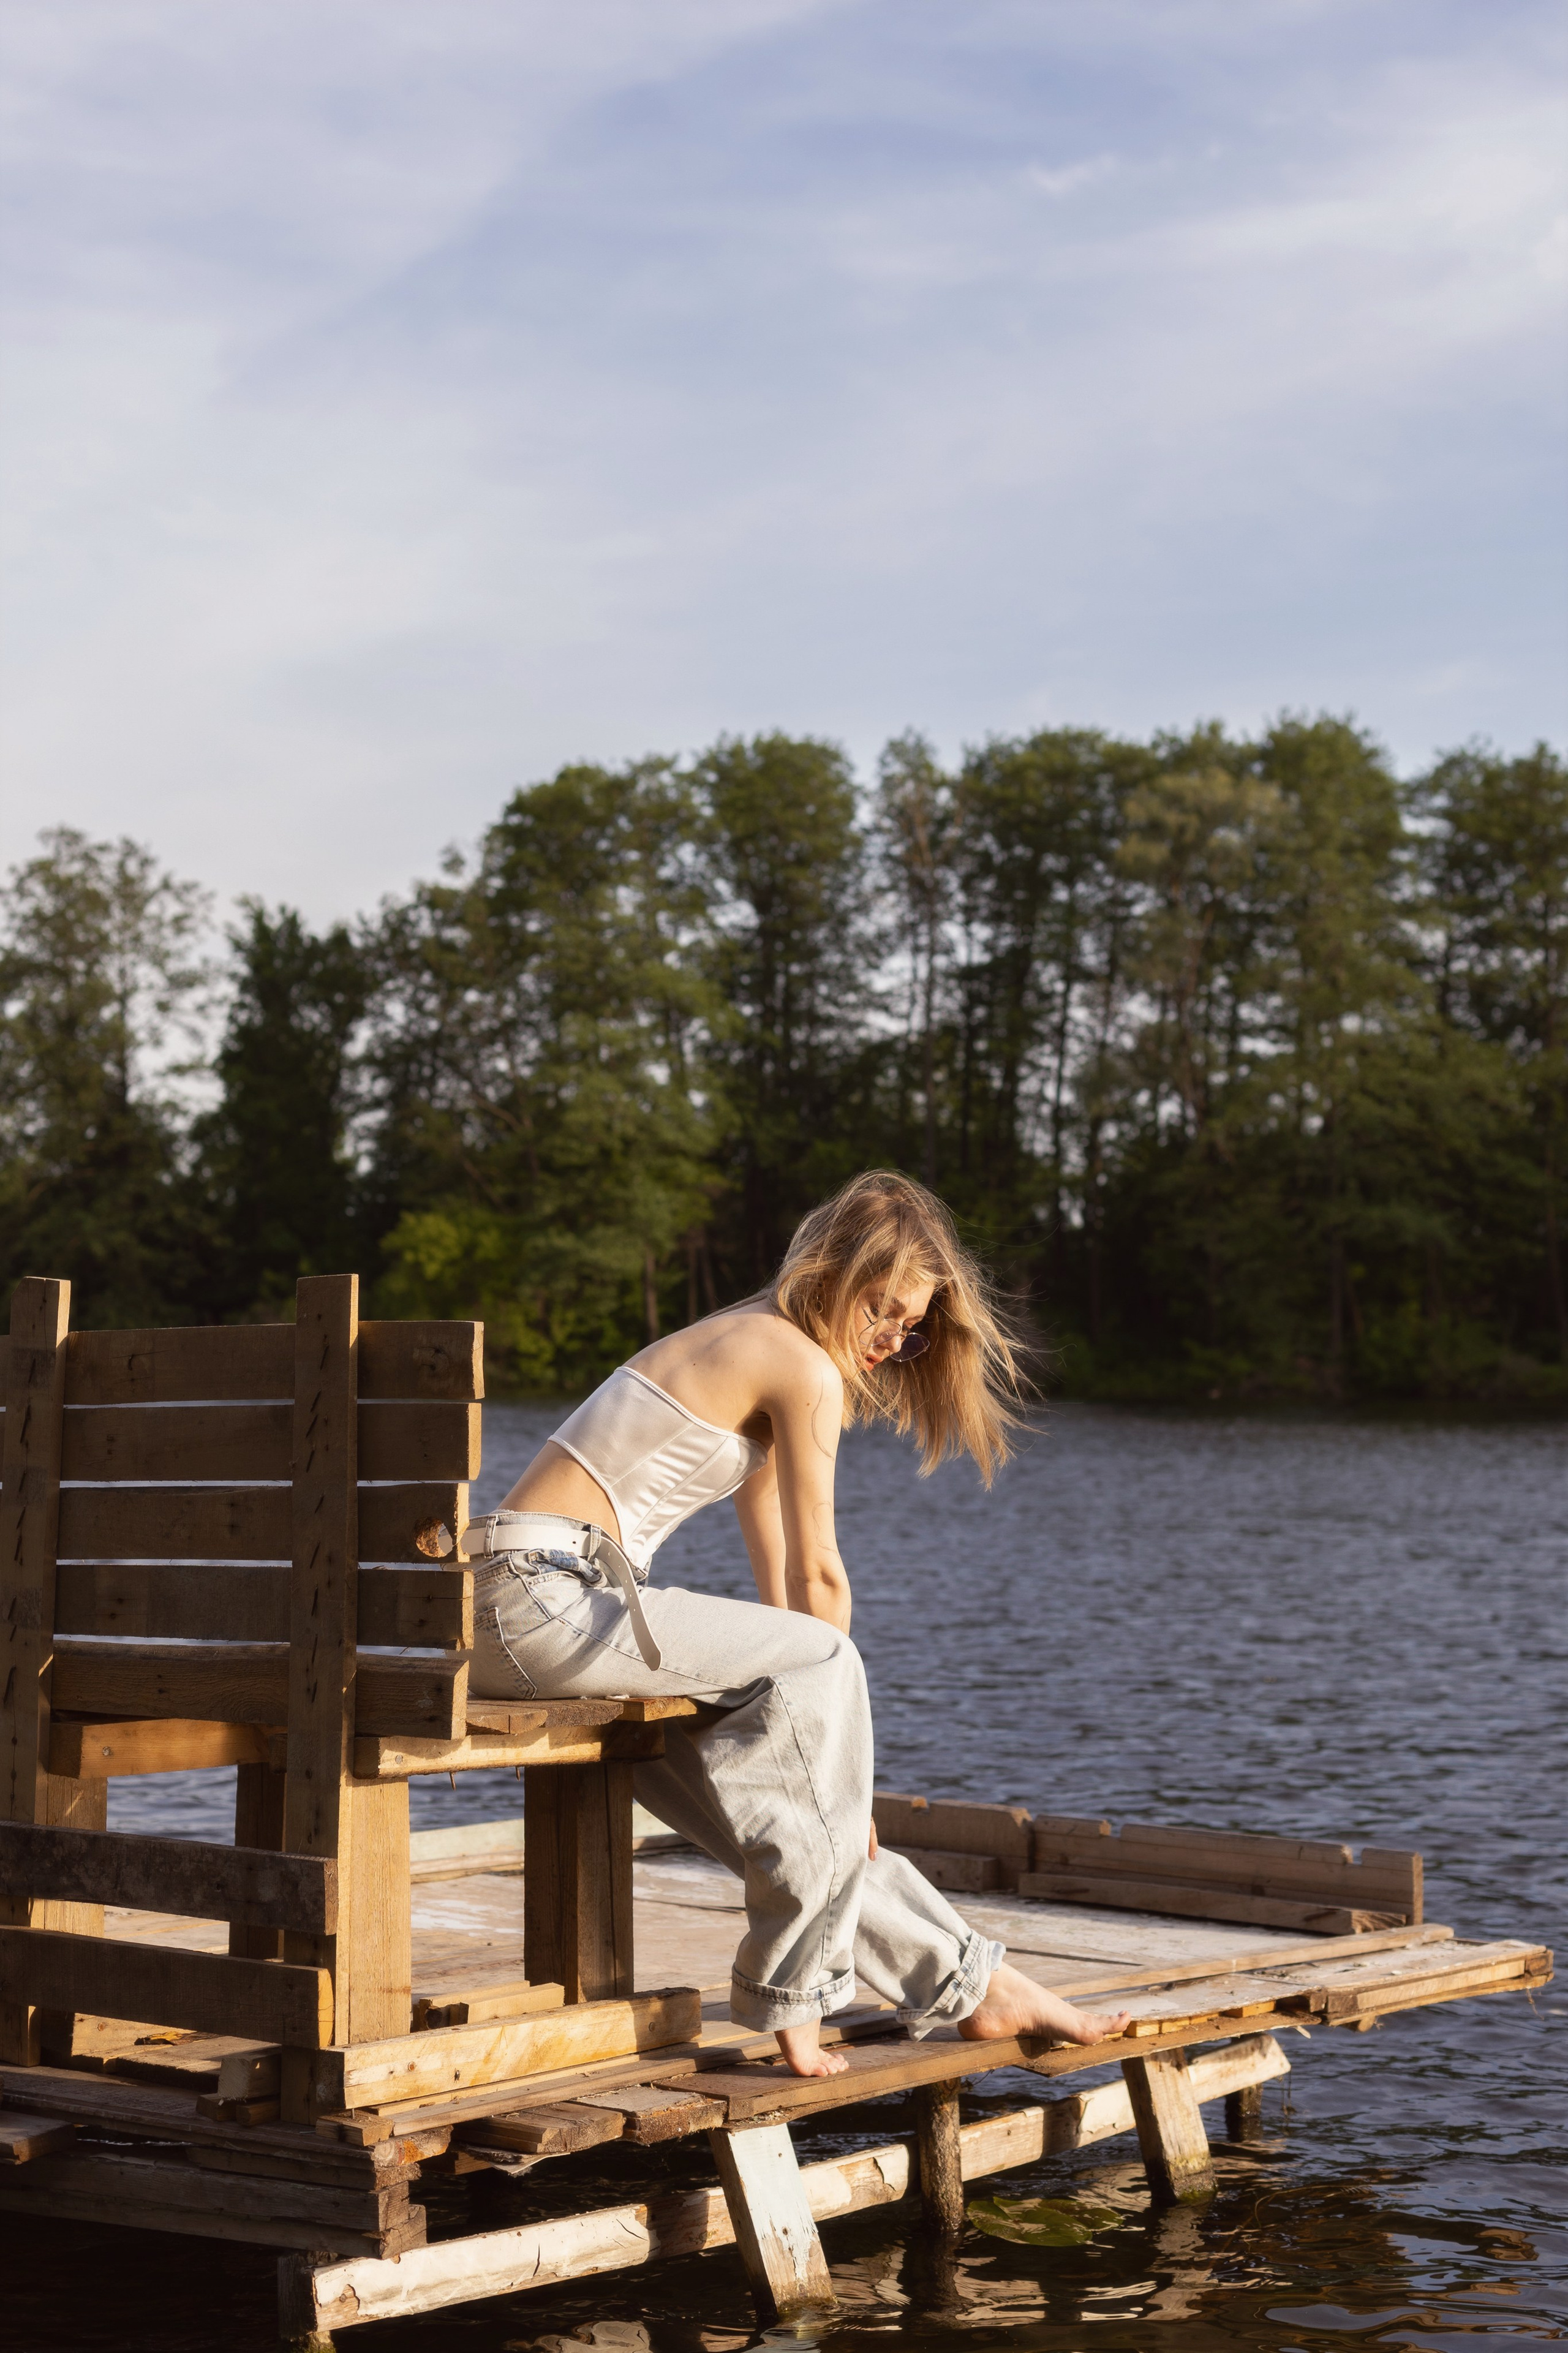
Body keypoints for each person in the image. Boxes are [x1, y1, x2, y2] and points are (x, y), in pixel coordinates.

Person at [466, 1170, 1129, 2077]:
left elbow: (779, 1573)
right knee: (831, 1670)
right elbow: (822, 1581)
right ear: (833, 1271)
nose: (894, 1337)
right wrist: (852, 1777)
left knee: (789, 1818)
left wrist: (830, 1778)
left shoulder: (751, 1339)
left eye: (913, 1323)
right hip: (545, 1600)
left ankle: (979, 1985)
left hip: (515, 1609)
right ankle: (796, 2003)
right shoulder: (801, 1363)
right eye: (882, 1307)